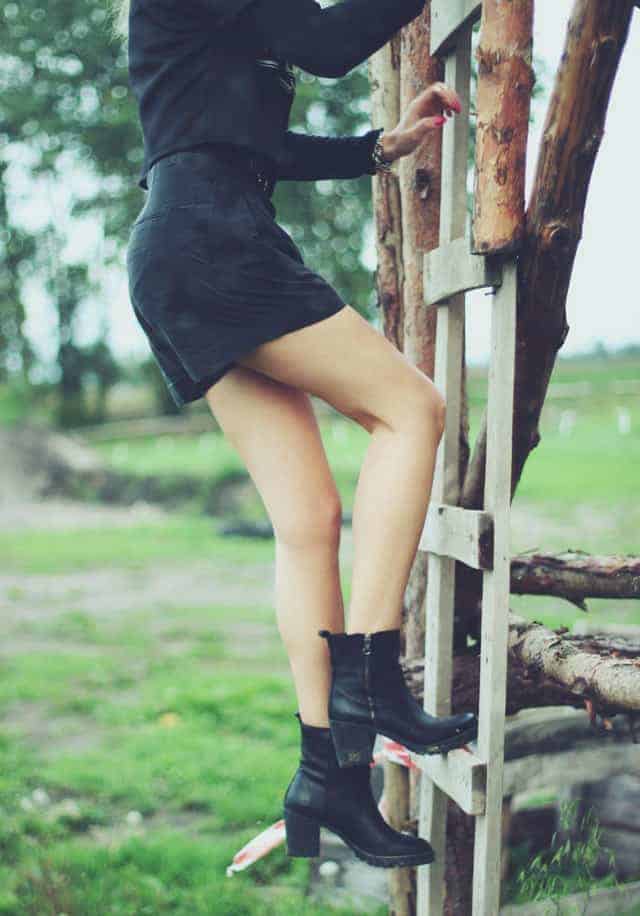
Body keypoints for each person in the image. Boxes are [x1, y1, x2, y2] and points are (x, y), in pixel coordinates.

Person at [118, 0, 477, 868]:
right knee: (412, 410)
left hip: (194, 241)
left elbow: (247, 140)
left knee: (309, 518)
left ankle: (329, 776)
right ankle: (373, 679)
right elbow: (325, 45)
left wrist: (375, 150)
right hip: (213, 240)